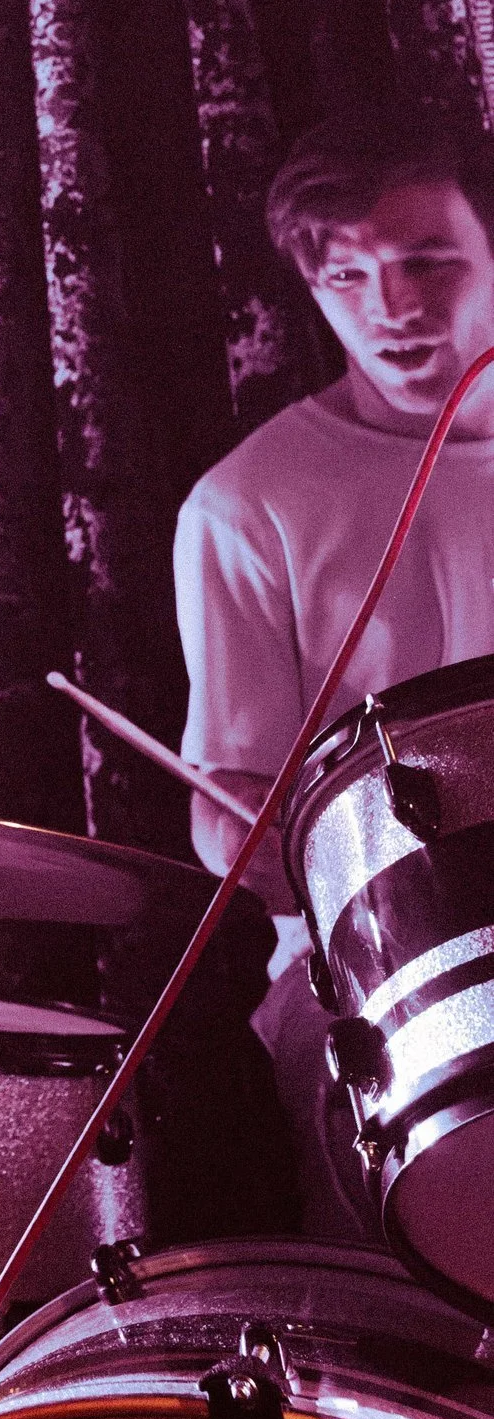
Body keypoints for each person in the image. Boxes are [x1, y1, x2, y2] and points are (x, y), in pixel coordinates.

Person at [175, 109, 494, 1242]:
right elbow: (234, 832)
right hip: (374, 989)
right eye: (347, 275)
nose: (390, 307)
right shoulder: (243, 507)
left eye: (426, 262)